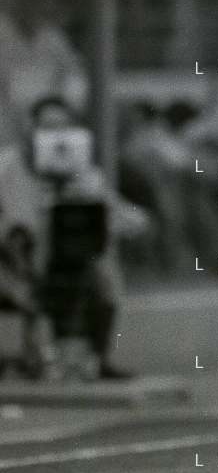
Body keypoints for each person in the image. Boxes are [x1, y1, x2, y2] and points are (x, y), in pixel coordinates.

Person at [0, 96, 146, 379]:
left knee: (103, 274)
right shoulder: (5, 168)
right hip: (12, 266)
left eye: (62, 128)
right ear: (31, 128)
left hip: (65, 262)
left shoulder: (82, 173)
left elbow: (118, 213)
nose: (55, 136)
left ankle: (96, 359)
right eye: (47, 127)